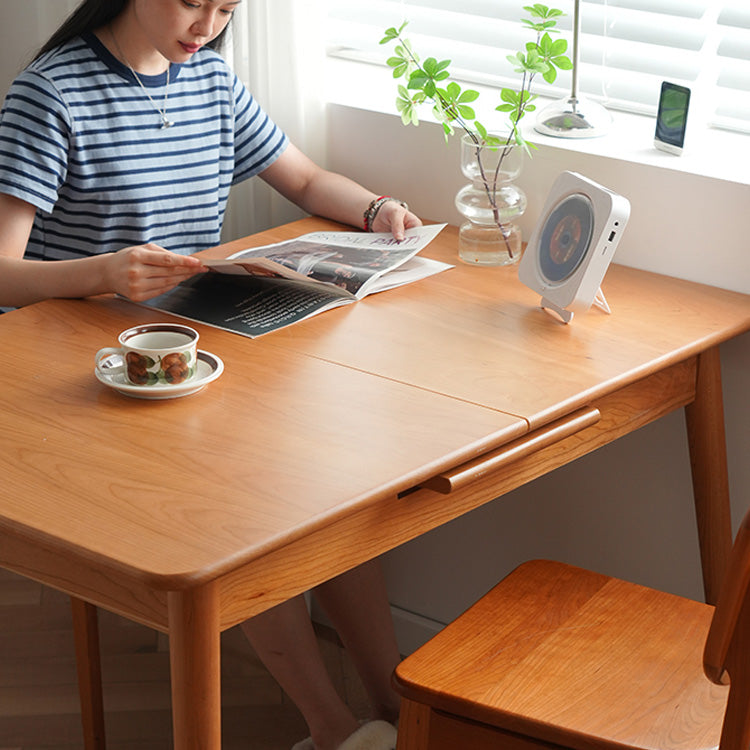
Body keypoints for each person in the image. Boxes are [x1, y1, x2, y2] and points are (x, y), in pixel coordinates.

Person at [0, 2, 417, 748]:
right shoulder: (52, 94)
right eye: (195, 2)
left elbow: (308, 177)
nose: (208, 25)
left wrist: (378, 210)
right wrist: (104, 272)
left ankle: (397, 714)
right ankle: (333, 728)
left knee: (332, 493)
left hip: (193, 348)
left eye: (225, 9)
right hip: (82, 374)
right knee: (243, 514)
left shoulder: (213, 82)